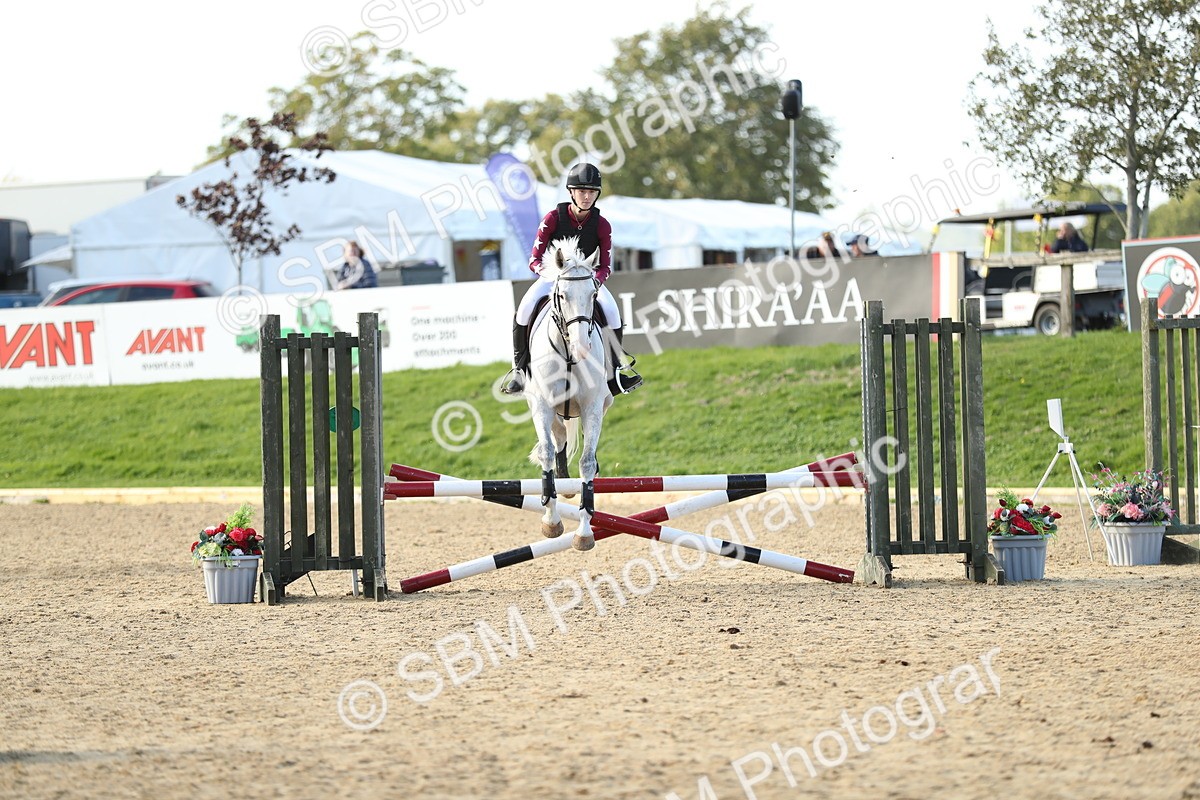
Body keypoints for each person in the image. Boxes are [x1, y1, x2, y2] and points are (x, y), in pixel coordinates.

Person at [501, 162, 641, 397]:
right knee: (524, 310)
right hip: (553, 277)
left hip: (587, 280)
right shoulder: (553, 218)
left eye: (591, 192)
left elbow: (605, 265)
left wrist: (594, 282)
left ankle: (617, 372)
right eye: (581, 191)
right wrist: (553, 275)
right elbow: (534, 260)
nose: (586, 197)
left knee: (612, 312)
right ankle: (520, 371)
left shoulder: (602, 225)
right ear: (571, 193)